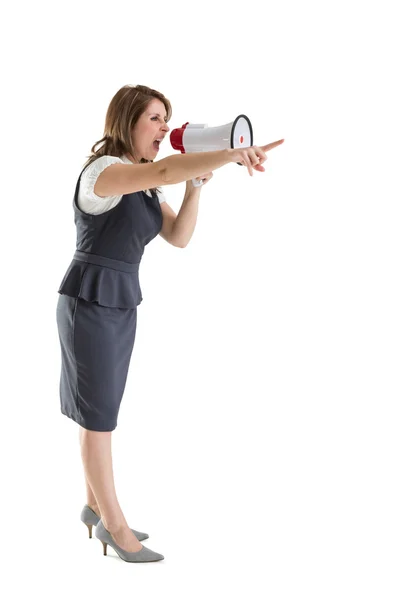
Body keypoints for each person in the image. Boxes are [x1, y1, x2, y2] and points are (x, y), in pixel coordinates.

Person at [56, 83, 284, 563]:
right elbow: (162, 167)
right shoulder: (104, 172)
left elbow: (179, 236)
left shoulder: (143, 184)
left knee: (100, 409)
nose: (165, 128)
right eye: (156, 118)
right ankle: (115, 529)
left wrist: (195, 186)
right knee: (98, 417)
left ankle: (93, 508)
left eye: (166, 118)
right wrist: (229, 154)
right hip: (90, 300)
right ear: (128, 121)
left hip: (117, 302)